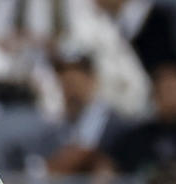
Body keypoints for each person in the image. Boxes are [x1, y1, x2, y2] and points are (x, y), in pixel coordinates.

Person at [45, 46, 123, 175]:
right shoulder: (59, 123)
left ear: (92, 80)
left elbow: (80, 154)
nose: (71, 91)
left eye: (75, 82)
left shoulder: (108, 120)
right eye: (66, 83)